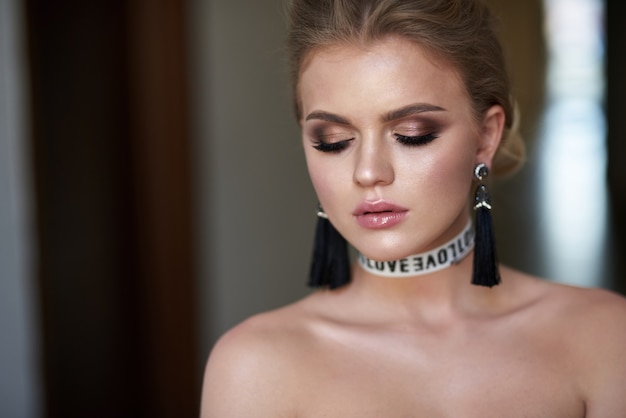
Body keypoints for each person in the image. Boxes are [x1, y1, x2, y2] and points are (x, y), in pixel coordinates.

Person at [201, 0, 626, 416]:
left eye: (412, 133)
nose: (368, 172)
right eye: (332, 140)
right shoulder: (254, 367)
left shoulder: (604, 336)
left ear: (485, 137)